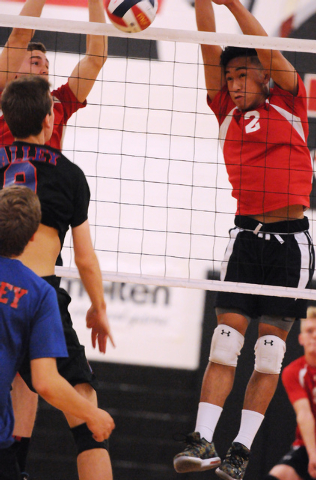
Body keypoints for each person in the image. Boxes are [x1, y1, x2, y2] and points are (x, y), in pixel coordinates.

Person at [173, 1, 315, 479]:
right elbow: (206, 44)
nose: (233, 83)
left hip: (291, 242)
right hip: (246, 237)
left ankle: (240, 448)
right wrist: (205, 5)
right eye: (228, 76)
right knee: (225, 342)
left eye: (242, 74)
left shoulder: (289, 99)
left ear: (262, 75)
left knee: (271, 351)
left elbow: (268, 48)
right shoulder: (223, 109)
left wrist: (234, 3)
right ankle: (202, 439)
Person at [0, 75, 115, 480]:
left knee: (12, 384)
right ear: (50, 121)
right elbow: (84, 257)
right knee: (84, 410)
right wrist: (99, 309)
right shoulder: (69, 174)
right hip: (37, 293)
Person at [0, 0, 107, 150]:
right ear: (15, 73)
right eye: (35, 63)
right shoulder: (4, 93)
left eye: (47, 66)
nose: (44, 70)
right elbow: (19, 37)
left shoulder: (59, 102)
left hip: (47, 173)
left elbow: (96, 59)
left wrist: (95, 2)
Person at [264, 307, 316, 480]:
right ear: (301, 338)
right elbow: (304, 414)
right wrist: (313, 455)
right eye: (310, 331)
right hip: (308, 445)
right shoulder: (293, 371)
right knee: (279, 475)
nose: (315, 336)